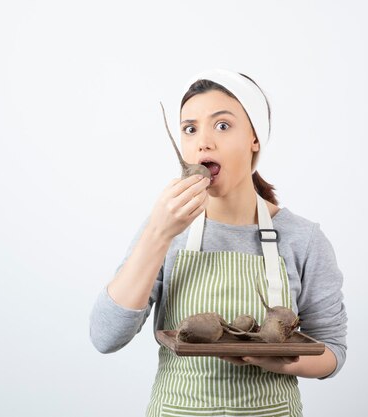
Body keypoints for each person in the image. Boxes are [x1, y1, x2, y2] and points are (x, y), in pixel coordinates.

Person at [89, 68, 347, 417]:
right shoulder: (165, 229)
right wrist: (158, 234)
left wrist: (276, 362)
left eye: (222, 125)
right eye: (190, 128)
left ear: (255, 138)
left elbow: (332, 351)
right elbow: (106, 337)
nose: (203, 142)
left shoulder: (303, 239)